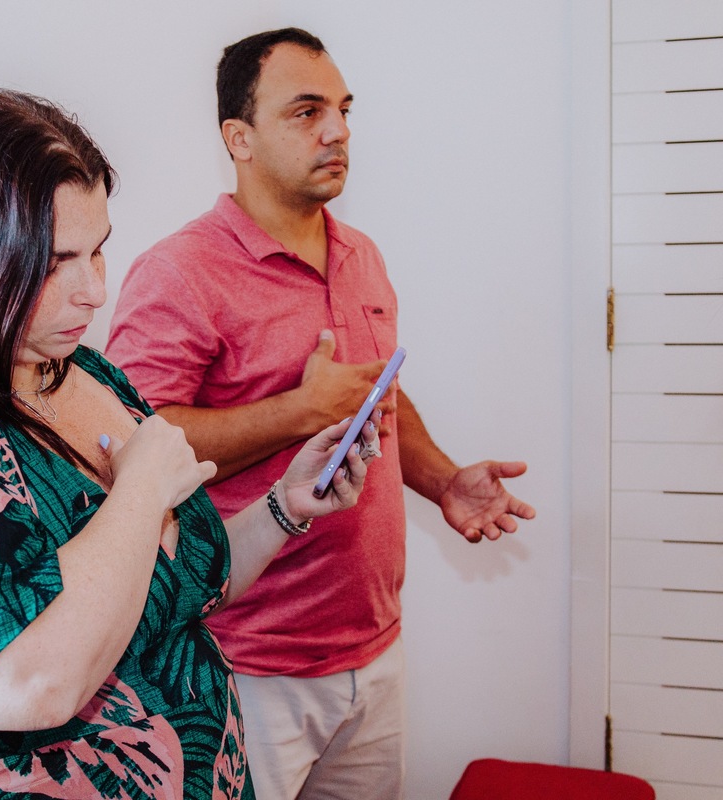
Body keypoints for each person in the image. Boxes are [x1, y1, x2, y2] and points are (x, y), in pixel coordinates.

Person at [0, 88, 380, 799]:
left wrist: (286, 505)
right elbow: (25, 684)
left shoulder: (83, 374)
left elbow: (179, 585)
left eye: (97, 252)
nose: (94, 291)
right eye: (56, 260)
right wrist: (142, 488)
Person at [106, 28, 537, 800]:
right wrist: (295, 411)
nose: (337, 130)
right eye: (306, 111)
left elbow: (375, 397)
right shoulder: (179, 271)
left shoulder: (360, 255)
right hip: (245, 664)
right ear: (238, 138)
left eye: (342, 108)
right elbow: (134, 448)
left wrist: (443, 483)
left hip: (374, 655)